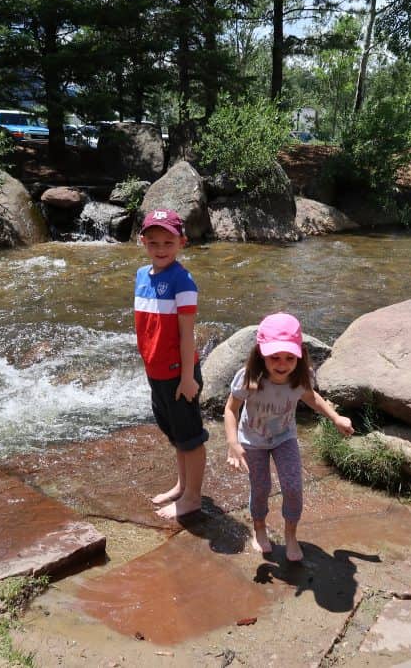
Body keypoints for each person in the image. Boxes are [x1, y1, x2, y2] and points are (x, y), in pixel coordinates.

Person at [224, 313, 354, 561]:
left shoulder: (299, 377)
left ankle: (291, 535)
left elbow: (312, 397)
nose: (282, 364)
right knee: (261, 488)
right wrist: (233, 443)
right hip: (253, 441)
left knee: (293, 487)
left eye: (289, 358)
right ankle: (259, 528)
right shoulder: (250, 378)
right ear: (261, 352)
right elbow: (230, 409)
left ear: (299, 355)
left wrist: (335, 417)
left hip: (285, 438)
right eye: (275, 357)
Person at [135, 208, 208, 519]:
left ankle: (193, 497)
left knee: (190, 437)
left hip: (179, 374)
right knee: (175, 433)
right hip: (156, 371)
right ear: (143, 242)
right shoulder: (141, 275)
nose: (161, 249)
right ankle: (182, 485)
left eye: (168, 242)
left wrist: (189, 377)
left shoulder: (183, 281)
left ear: (182, 243)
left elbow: (186, 333)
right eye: (154, 242)